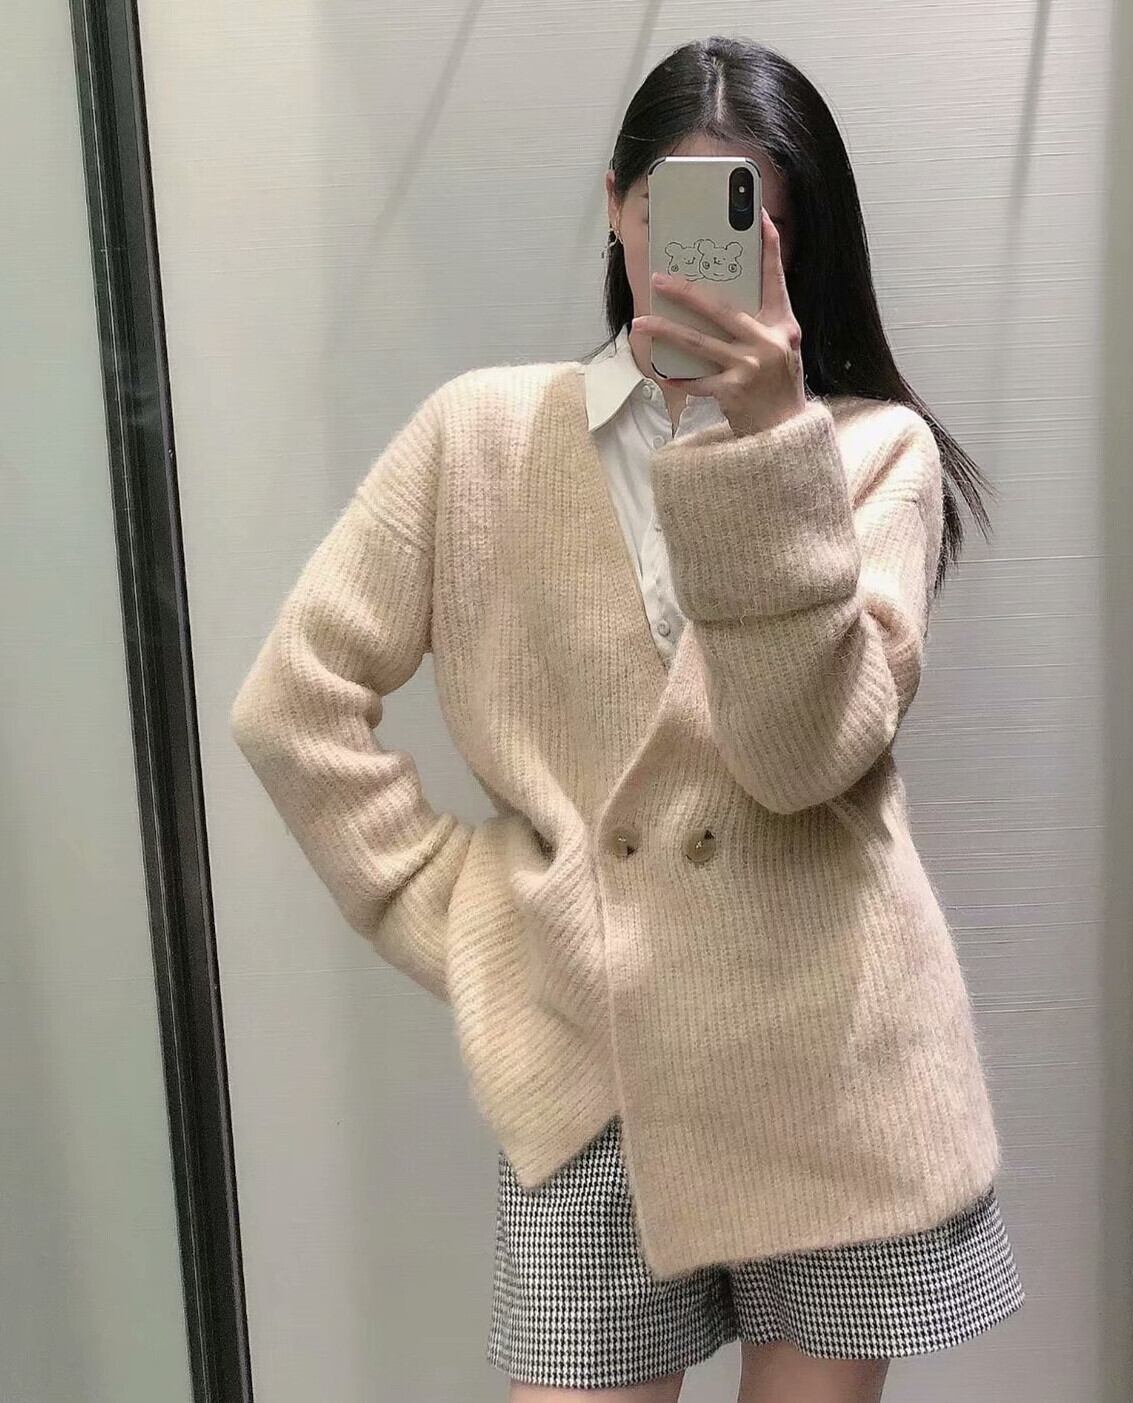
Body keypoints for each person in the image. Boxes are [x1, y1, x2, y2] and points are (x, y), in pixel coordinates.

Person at [231, 33, 1023, 1403]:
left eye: (752, 216)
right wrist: (465, 919)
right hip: (588, 1063)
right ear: (615, 206)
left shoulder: (869, 455)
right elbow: (291, 706)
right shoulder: (477, 438)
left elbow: (798, 759)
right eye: (673, 206)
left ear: (797, 244)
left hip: (832, 1057)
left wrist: (769, 449)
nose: (703, 251)